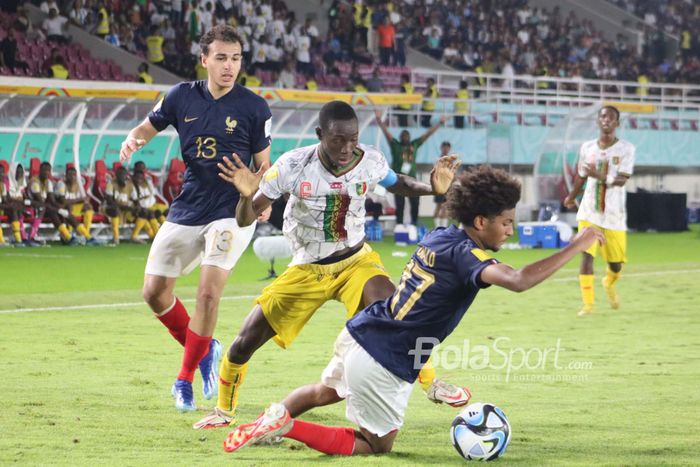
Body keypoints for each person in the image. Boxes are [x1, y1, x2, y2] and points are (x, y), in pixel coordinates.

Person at [222, 165, 606, 455]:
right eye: (506, 222)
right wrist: (578, 243)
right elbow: (519, 280)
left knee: (327, 391)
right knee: (375, 444)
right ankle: (285, 426)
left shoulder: (440, 236)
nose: (510, 229)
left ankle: (269, 420)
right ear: (480, 221)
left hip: (361, 331)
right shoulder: (466, 256)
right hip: (386, 358)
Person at [193, 100, 465, 430]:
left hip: (356, 261)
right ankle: (224, 412)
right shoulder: (292, 165)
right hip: (308, 267)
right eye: (338, 139)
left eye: (353, 139)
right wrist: (245, 197)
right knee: (244, 341)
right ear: (320, 134)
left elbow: (399, 183)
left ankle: (432, 384)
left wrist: (432, 188)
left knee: (397, 312)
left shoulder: (370, 160)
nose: (347, 147)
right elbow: (244, 217)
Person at [118, 25, 272, 412]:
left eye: (235, 58)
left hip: (232, 211)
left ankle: (183, 380)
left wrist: (259, 194)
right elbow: (147, 127)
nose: (229, 66)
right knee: (153, 292)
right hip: (189, 205)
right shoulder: (180, 96)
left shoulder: (254, 107)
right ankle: (205, 350)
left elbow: (264, 166)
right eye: (221, 57)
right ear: (204, 60)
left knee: (207, 293)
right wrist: (133, 139)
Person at [564, 105, 635, 316]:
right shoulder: (587, 148)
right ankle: (588, 305)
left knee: (616, 265)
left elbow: (622, 181)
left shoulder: (626, 149)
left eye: (611, 118)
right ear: (597, 121)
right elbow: (582, 175)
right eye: (603, 117)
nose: (606, 120)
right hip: (589, 212)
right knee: (586, 255)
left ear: (617, 123)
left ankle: (609, 283)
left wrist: (600, 175)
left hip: (613, 216)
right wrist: (571, 196)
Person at [375, 109, 446, 226]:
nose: (405, 137)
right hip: (397, 180)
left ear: (409, 137)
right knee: (400, 204)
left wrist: (440, 123)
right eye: (403, 135)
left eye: (406, 135)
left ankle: (414, 223)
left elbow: (427, 134)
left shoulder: (414, 144)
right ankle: (399, 225)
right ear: (400, 137)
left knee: (415, 202)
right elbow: (386, 132)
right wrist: (379, 120)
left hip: (412, 179)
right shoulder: (395, 145)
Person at [54, 165, 100, 245]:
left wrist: (84, 201)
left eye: (74, 175)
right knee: (68, 207)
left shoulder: (79, 185)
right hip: (61, 209)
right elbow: (63, 201)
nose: (72, 177)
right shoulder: (61, 184)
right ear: (66, 176)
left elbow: (86, 198)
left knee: (88, 207)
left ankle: (85, 235)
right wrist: (80, 200)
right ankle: (70, 234)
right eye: (70, 175)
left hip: (74, 208)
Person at [433, 141, 452, 227]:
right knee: (439, 205)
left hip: (448, 186)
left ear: (449, 149)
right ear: (441, 148)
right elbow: (435, 172)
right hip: (440, 185)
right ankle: (437, 226)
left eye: (447, 148)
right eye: (444, 147)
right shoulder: (438, 160)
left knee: (446, 206)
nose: (445, 149)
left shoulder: (451, 160)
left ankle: (444, 227)